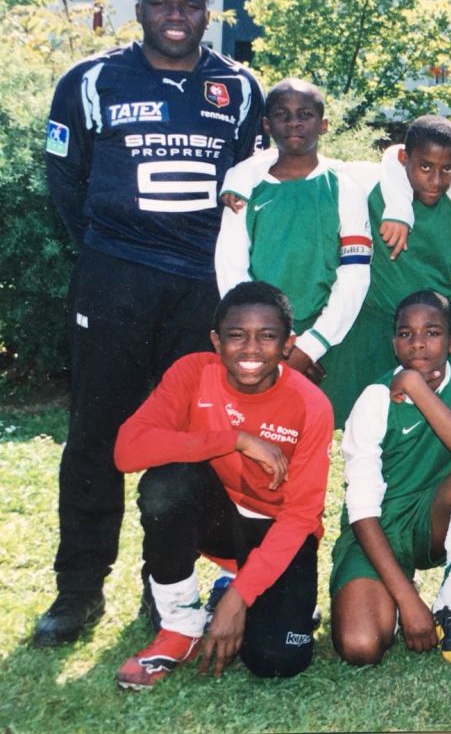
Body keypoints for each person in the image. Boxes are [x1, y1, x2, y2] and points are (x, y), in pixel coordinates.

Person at [37, 0, 264, 647]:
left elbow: (254, 182)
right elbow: (64, 176)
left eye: (188, 3)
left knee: (189, 440)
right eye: (160, 2)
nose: (174, 13)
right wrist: (108, 249)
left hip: (201, 289)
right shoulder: (91, 79)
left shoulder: (239, 88)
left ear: (207, 11)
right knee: (97, 437)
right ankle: (78, 590)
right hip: (115, 281)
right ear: (138, 10)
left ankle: (162, 580)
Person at [112, 281, 331, 688]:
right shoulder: (193, 373)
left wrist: (239, 598)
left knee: (276, 659)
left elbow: (301, 516)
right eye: (236, 335)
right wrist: (235, 439)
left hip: (276, 532)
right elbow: (127, 450)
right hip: (220, 519)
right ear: (216, 340)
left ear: (287, 344)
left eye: (267, 336)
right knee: (166, 484)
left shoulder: (311, 405)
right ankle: (180, 627)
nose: (251, 349)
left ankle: (243, 589)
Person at [330, 290, 451, 666]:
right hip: (379, 529)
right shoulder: (374, 399)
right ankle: (393, 591)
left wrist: (417, 388)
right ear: (394, 344)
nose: (418, 342)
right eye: (406, 334)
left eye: (433, 332)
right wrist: (407, 601)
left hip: (434, 520)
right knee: (361, 646)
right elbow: (362, 513)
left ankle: (450, 608)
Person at [214, 78, 371, 422]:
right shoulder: (245, 189)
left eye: (305, 114)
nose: (294, 122)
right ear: (268, 125)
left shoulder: (344, 189)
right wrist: (266, 341)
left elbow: (354, 274)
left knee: (313, 432)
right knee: (252, 432)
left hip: (326, 335)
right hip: (258, 340)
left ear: (323, 124)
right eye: (283, 115)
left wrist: (308, 348)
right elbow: (231, 270)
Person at [332, 117, 451, 424]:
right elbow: (314, 161)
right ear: (405, 159)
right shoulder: (373, 185)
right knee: (348, 419)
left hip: (428, 333)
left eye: (446, 169)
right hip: (371, 324)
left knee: (422, 421)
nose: (435, 180)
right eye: (425, 167)